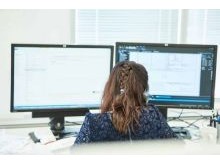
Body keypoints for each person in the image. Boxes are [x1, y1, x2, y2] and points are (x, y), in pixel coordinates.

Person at [74, 61, 177, 144]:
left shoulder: (93, 123)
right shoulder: (154, 116)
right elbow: (178, 148)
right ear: (144, 89)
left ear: (110, 87)